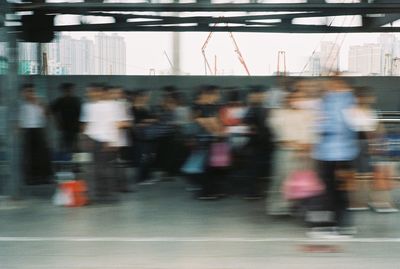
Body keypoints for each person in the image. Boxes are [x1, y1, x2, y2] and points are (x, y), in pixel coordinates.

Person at [310, 77, 359, 236]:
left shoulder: (340, 101)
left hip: (336, 155)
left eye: (332, 83)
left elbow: (330, 125)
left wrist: (321, 124)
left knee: (333, 191)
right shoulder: (339, 100)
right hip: (336, 154)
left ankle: (336, 226)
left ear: (340, 84)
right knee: (335, 191)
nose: (328, 85)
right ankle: (337, 225)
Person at [80, 84, 124, 203]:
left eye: (95, 91)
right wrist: (84, 138)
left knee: (107, 169)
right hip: (93, 140)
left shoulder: (111, 106)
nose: (92, 94)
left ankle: (110, 194)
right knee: (94, 169)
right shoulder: (87, 106)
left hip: (106, 141)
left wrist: (112, 140)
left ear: (100, 92)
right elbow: (86, 124)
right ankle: (97, 194)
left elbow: (116, 124)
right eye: (89, 92)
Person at [243, 86, 275, 200]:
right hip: (258, 143)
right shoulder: (255, 108)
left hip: (260, 143)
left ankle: (253, 191)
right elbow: (251, 126)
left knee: (255, 168)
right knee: (254, 168)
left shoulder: (259, 108)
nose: (262, 96)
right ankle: (251, 192)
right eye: (259, 94)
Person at [19, 83, 53, 185]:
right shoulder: (21, 105)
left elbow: (47, 115)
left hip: (39, 129)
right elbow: (19, 121)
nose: (30, 94)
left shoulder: (39, 102)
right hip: (27, 131)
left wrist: (40, 104)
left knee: (42, 155)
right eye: (28, 92)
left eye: (32, 91)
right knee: (29, 156)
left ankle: (44, 177)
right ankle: (30, 178)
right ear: (23, 93)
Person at [50, 83, 81, 154]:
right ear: (64, 90)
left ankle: (75, 163)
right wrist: (57, 122)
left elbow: (81, 114)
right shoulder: (60, 101)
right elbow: (52, 111)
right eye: (67, 89)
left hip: (74, 126)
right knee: (64, 146)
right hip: (64, 127)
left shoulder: (76, 100)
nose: (69, 91)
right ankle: (64, 163)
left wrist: (81, 125)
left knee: (75, 146)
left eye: (70, 89)